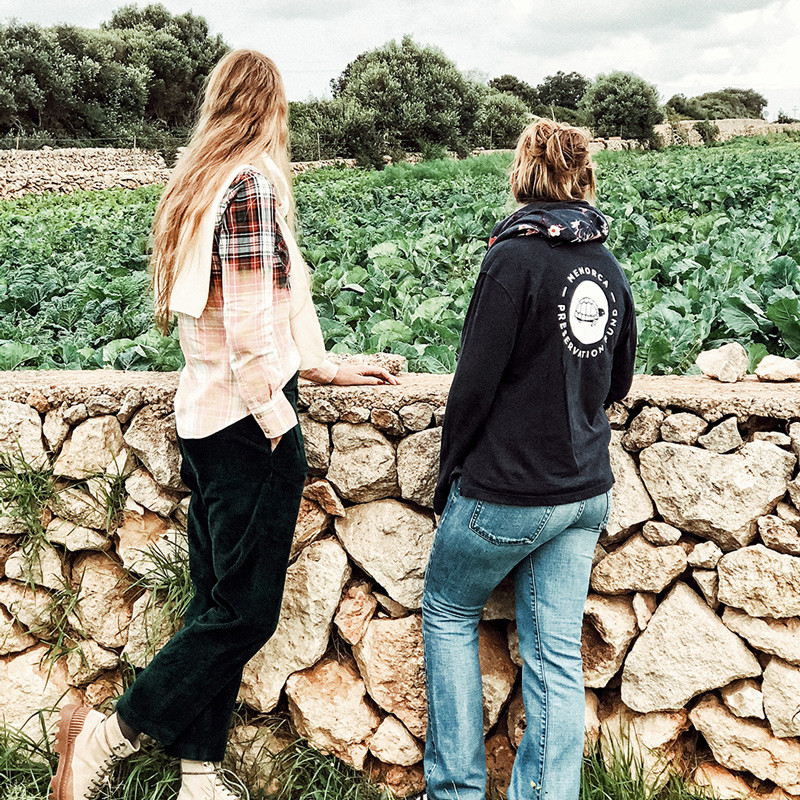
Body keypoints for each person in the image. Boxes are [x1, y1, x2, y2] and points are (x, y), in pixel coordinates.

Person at [50, 49, 397, 800]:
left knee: (216, 603)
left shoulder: (198, 184)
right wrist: (277, 418)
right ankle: (104, 742)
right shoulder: (249, 188)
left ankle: (198, 776)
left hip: (203, 417)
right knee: (245, 613)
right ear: (270, 109)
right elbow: (246, 330)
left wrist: (328, 367)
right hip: (247, 423)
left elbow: (248, 315)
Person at [422, 119, 637, 800]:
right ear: (582, 174)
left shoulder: (511, 259)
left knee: (448, 610)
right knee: (555, 654)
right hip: (583, 494)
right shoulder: (605, 263)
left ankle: (455, 790)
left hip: (510, 491)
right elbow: (620, 381)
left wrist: (449, 473)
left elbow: (473, 385)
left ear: (525, 172)